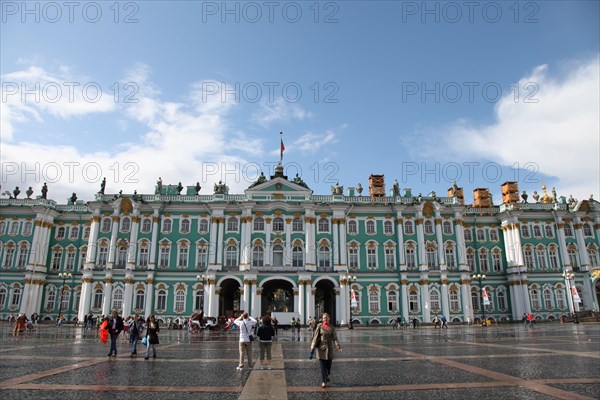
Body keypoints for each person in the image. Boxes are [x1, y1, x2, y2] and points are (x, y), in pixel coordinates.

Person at [310, 312, 342, 388]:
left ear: (329, 319)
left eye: (326, 318)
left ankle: (326, 376)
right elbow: (315, 338)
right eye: (324, 318)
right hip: (321, 349)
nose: (325, 319)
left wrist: (338, 347)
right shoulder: (319, 326)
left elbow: (335, 339)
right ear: (322, 319)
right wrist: (312, 349)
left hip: (329, 349)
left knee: (328, 368)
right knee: (322, 367)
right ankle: (324, 381)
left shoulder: (332, 327)